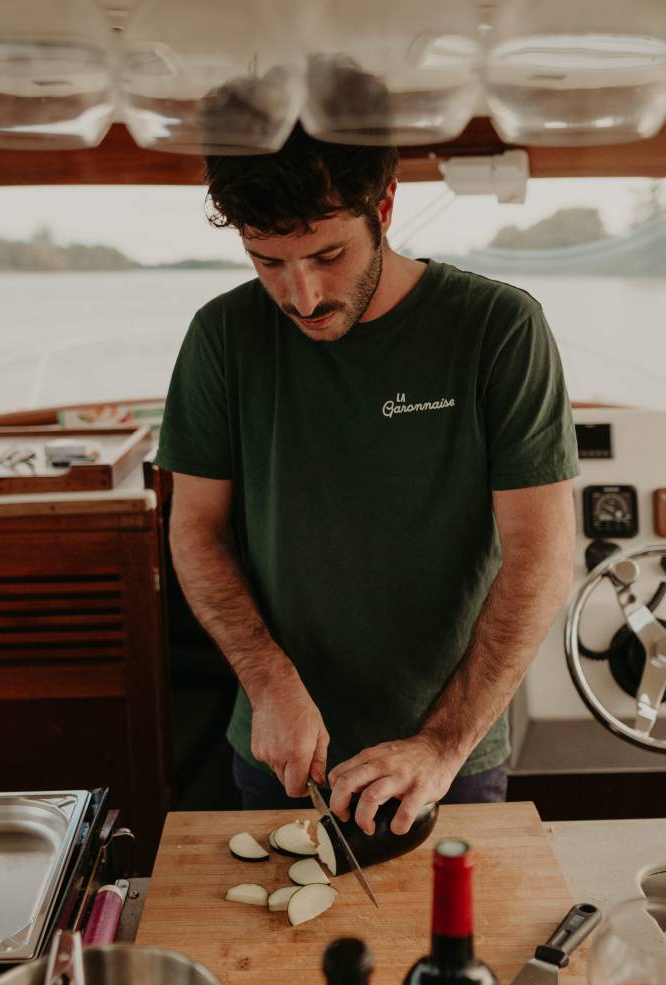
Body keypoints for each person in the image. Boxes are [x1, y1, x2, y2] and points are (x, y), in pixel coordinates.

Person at [154, 122, 578, 836]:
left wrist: (441, 744)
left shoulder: (499, 329)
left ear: (383, 208)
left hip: (450, 753)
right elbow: (194, 528)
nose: (304, 295)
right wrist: (267, 682)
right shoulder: (221, 337)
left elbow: (542, 556)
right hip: (279, 746)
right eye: (268, 262)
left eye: (328, 254)